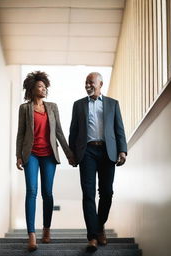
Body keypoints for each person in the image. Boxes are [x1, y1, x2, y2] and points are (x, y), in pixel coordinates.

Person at [16, 71, 75, 252]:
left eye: (44, 87)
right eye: (40, 86)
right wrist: (18, 155)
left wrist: (68, 154)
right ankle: (31, 235)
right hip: (31, 154)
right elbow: (21, 133)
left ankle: (46, 229)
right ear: (32, 89)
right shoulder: (24, 108)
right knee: (31, 191)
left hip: (49, 154)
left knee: (47, 193)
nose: (43, 89)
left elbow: (59, 132)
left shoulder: (52, 107)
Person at [69, 72, 127, 252]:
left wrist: (122, 150)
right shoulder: (78, 105)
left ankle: (99, 225)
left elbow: (119, 128)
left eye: (91, 82)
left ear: (100, 83)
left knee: (107, 193)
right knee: (88, 194)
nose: (87, 85)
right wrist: (72, 154)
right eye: (85, 82)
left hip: (107, 152)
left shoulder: (112, 104)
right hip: (87, 152)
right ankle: (92, 236)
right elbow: (74, 131)